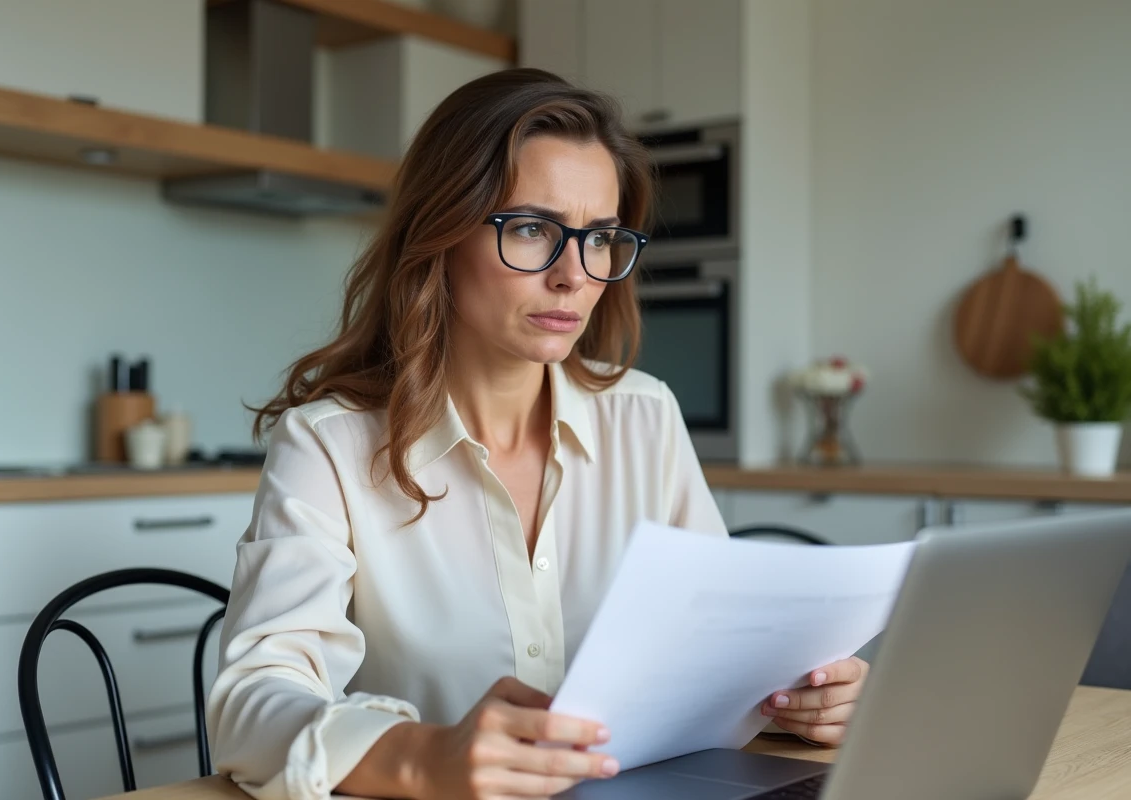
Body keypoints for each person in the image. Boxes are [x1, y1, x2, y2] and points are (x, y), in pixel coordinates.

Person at [207, 68, 869, 800]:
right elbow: (250, 704)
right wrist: (425, 759)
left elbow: (717, 658)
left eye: (600, 239)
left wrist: (805, 697)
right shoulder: (328, 446)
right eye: (531, 229)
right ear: (440, 233)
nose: (574, 277)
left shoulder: (644, 417)